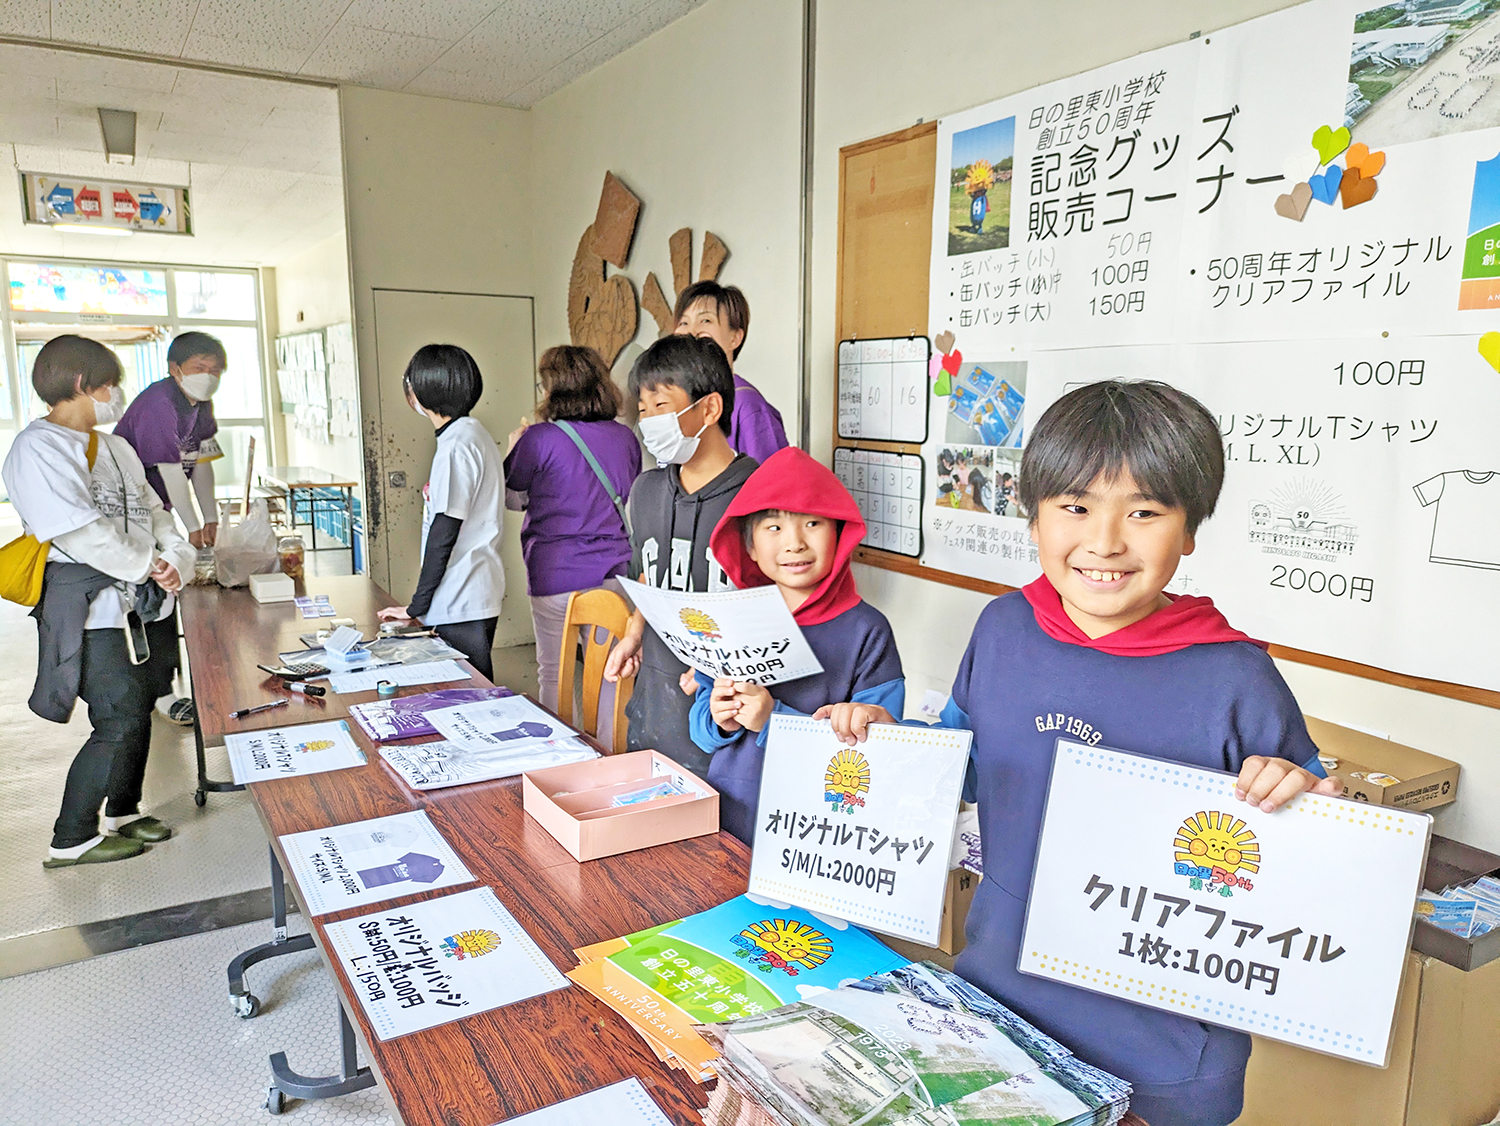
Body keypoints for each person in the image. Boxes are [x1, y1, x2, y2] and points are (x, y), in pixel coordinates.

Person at [817, 380, 1339, 1126]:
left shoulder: (1234, 675)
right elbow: (959, 765)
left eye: (1146, 512)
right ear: (1034, 520)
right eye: (1076, 507)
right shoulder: (1003, 628)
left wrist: (1299, 799)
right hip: (1000, 1000)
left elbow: (1314, 852)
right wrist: (880, 741)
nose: (1105, 542)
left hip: (1164, 1045)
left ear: (1190, 531)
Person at [3, 335, 195, 867]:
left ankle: (124, 811)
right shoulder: (37, 448)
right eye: (110, 383)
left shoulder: (116, 446)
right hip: (87, 605)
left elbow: (156, 514)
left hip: (143, 599)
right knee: (117, 714)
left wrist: (176, 559)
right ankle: (71, 837)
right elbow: (77, 532)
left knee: (141, 704)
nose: (117, 394)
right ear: (83, 384)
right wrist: (146, 564)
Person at [687, 448, 903, 842]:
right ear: (748, 545)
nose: (795, 543)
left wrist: (774, 720)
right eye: (773, 528)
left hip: (817, 831)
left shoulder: (867, 630)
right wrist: (720, 718)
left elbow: (880, 751)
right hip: (731, 816)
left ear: (839, 533)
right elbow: (700, 728)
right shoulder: (733, 618)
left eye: (813, 523)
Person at [602, 334, 757, 776]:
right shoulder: (646, 491)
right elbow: (649, 577)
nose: (648, 421)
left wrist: (724, 674)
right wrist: (633, 634)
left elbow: (780, 606)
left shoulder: (760, 498)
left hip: (725, 722)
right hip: (652, 706)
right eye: (643, 409)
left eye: (661, 406)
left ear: (709, 409)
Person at [503, 345, 640, 714]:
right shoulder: (625, 437)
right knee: (612, 672)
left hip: (555, 573)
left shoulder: (538, 439)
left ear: (553, 388)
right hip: (613, 572)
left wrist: (515, 448)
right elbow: (628, 493)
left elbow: (514, 500)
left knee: (554, 673)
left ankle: (561, 757)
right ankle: (611, 756)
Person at [113, 329, 227, 727]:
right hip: (134, 514)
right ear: (175, 368)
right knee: (152, 596)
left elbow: (203, 464)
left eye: (216, 369)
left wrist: (209, 517)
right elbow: (170, 472)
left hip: (160, 513)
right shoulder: (160, 403)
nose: (209, 375)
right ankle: (157, 693)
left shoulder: (202, 405)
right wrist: (193, 525)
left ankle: (167, 685)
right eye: (200, 367)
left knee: (169, 596)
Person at [376, 345, 505, 682]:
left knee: (466, 693)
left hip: (460, 598)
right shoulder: (471, 433)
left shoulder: (457, 446)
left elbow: (443, 533)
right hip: (471, 592)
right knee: (471, 689)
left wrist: (415, 606)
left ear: (422, 389)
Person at [673, 281, 788, 463]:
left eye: (705, 320)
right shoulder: (680, 401)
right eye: (684, 322)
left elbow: (773, 484)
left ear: (735, 338)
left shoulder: (748, 405)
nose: (691, 332)